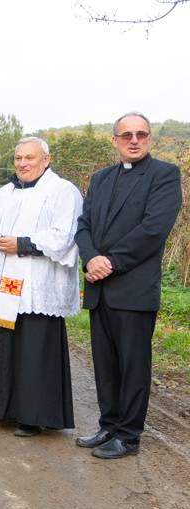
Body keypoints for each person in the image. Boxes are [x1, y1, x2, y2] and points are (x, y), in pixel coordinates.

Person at [75, 112, 182, 459]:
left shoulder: (164, 175)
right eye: (126, 135)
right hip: (100, 289)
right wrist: (90, 258)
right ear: (115, 141)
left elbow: (153, 230)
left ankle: (129, 435)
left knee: (133, 366)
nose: (134, 140)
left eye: (141, 134)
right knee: (104, 364)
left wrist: (109, 263)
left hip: (133, 290)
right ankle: (108, 426)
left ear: (149, 138)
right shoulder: (101, 178)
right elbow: (84, 225)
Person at [0, 137, 82, 437]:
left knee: (34, 349)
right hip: (6, 284)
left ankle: (31, 416)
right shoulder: (6, 191)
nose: (22, 163)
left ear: (46, 159)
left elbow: (65, 236)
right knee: (2, 344)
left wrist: (21, 244)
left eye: (29, 158)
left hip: (37, 286)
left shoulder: (62, 191)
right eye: (18, 158)